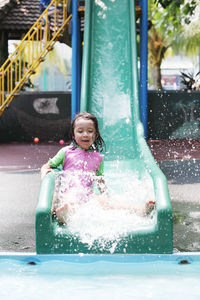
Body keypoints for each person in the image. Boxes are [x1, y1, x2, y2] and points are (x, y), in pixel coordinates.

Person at [41, 112, 155, 224]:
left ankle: (140, 210)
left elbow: (100, 180)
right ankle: (64, 215)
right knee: (69, 201)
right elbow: (47, 166)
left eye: (90, 131)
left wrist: (106, 197)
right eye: (80, 131)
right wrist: (45, 172)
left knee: (109, 203)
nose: (85, 134)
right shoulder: (66, 152)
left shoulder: (98, 158)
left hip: (87, 196)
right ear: (73, 134)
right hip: (69, 193)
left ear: (95, 135)